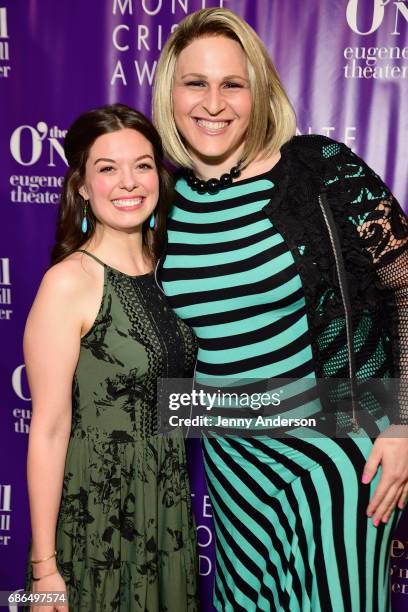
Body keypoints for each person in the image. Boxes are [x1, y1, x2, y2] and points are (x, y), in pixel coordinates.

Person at [152, 8, 408, 612]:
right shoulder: (163, 200)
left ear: (257, 91)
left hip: (335, 455)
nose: (213, 103)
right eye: (196, 83)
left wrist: (401, 424)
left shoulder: (318, 169)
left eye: (232, 83)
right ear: (171, 93)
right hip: (234, 465)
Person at [24, 103, 198, 612]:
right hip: (96, 521)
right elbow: (50, 429)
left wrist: (362, 410)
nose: (129, 182)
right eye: (107, 168)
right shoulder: (68, 283)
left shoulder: (175, 268)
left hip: (166, 512)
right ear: (81, 185)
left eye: (143, 165)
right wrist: (44, 568)